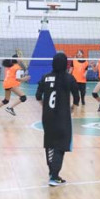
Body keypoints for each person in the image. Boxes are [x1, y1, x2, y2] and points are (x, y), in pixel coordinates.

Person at [36, 52, 80, 187]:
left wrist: (44, 105)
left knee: (50, 142)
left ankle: (52, 172)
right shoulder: (69, 78)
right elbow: (76, 96)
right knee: (60, 145)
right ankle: (54, 176)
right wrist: (73, 107)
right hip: (62, 117)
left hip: (47, 116)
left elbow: (38, 96)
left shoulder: (45, 77)